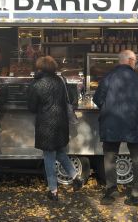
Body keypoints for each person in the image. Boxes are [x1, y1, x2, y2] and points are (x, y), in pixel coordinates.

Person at [93, 50, 138, 206]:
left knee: (110, 157)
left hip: (111, 123)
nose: (135, 63)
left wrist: (107, 109)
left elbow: (97, 98)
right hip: (135, 123)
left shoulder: (108, 77)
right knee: (137, 157)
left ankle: (111, 192)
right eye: (135, 61)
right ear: (130, 61)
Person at [27, 56, 84, 201]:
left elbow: (32, 107)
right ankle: (76, 177)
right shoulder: (60, 81)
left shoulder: (37, 84)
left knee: (49, 158)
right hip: (61, 123)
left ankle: (53, 190)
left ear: (40, 68)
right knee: (60, 152)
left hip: (46, 125)